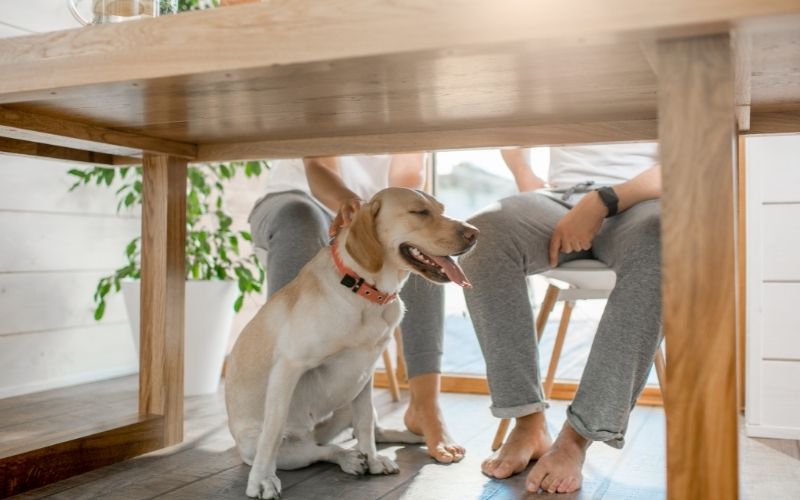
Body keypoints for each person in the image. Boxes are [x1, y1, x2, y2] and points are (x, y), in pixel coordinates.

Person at [460, 144, 662, 493]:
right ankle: (528, 422)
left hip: (643, 199)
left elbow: (692, 159)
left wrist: (603, 201)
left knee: (670, 239)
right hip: (556, 199)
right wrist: (526, 175)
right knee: (482, 238)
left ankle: (576, 439)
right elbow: (513, 136)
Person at [248, 154, 465, 463]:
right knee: (300, 219)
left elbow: (407, 174)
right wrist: (349, 203)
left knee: (419, 244)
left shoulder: (413, 107)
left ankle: (425, 408)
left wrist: (395, 221)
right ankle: (274, 421)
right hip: (298, 196)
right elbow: (318, 166)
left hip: (378, 211)